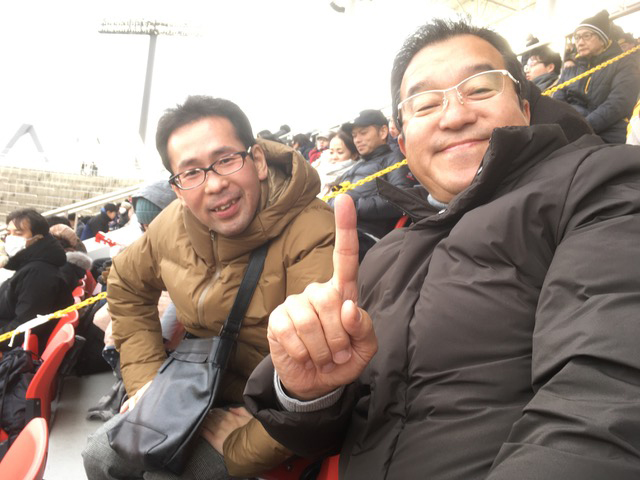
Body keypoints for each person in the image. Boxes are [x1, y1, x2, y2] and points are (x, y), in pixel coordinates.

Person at [244, 18, 640, 479]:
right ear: (403, 138)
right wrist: (310, 391)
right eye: (426, 103)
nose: (454, 116)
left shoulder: (599, 185)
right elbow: (337, 431)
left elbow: (606, 398)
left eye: (480, 89)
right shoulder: (388, 254)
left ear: (525, 108)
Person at [82, 96, 336, 479]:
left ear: (258, 161)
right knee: (100, 456)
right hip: (197, 384)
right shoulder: (172, 224)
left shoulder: (315, 232)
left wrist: (252, 439)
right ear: (177, 188)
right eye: (191, 173)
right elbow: (126, 282)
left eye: (226, 160)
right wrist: (146, 381)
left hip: (275, 406)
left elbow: (322, 372)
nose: (215, 184)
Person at [330, 109, 415, 261]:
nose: (357, 140)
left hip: (367, 235)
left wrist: (352, 207)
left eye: (363, 133)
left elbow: (403, 199)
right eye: (354, 135)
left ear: (383, 132)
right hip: (337, 226)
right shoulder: (357, 165)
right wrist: (332, 201)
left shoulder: (394, 159)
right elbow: (336, 191)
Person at [553, 10, 640, 144]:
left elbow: (618, 103)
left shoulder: (624, 63)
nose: (580, 42)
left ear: (603, 39)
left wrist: (582, 127)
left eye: (586, 36)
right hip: (572, 130)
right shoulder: (571, 69)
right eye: (577, 37)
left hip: (608, 130)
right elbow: (557, 101)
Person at [0, 209, 74, 353]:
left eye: (19, 234)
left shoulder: (39, 273)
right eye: (9, 233)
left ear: (37, 237)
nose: (11, 238)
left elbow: (25, 324)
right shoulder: (31, 264)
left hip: (13, 348)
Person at [313, 129, 358, 197]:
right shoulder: (321, 169)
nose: (334, 157)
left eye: (340, 152)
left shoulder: (355, 177)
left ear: (354, 155)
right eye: (331, 152)